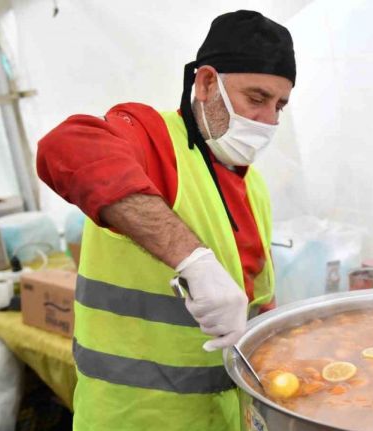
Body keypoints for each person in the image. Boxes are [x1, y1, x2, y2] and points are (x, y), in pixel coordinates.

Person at [36, 10, 295, 431]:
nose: (269, 122)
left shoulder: (255, 187)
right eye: (257, 98)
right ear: (208, 82)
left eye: (280, 106)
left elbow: (261, 306)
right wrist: (193, 259)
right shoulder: (152, 139)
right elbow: (65, 147)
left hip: (224, 418)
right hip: (134, 418)